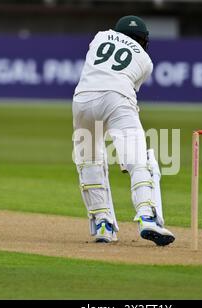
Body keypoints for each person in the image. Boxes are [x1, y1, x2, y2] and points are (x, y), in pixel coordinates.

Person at [72, 15, 175, 246]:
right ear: (143, 40)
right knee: (137, 160)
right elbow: (121, 86)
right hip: (117, 98)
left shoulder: (99, 37)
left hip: (82, 100)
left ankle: (103, 224)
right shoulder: (146, 61)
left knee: (89, 160)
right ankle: (147, 217)